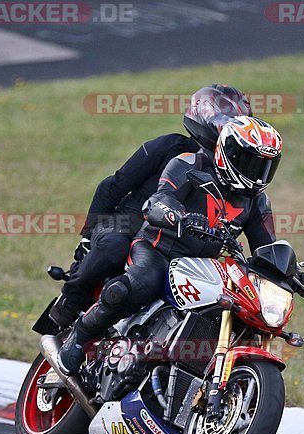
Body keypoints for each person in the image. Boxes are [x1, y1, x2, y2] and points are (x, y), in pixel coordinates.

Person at [56, 115, 304, 375]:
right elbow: (158, 200)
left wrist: (293, 275)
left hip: (205, 267)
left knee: (237, 309)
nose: (257, 174)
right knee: (141, 282)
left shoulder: (257, 202)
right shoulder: (190, 164)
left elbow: (265, 249)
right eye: (251, 162)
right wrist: (175, 214)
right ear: (229, 153)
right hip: (158, 250)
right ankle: (81, 335)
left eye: (265, 166)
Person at [48, 84, 253, 329]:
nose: (224, 128)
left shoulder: (233, 176)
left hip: (175, 242)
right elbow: (111, 187)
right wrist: (89, 235)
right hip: (129, 224)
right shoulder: (168, 147)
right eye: (221, 121)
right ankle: (71, 301)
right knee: (114, 246)